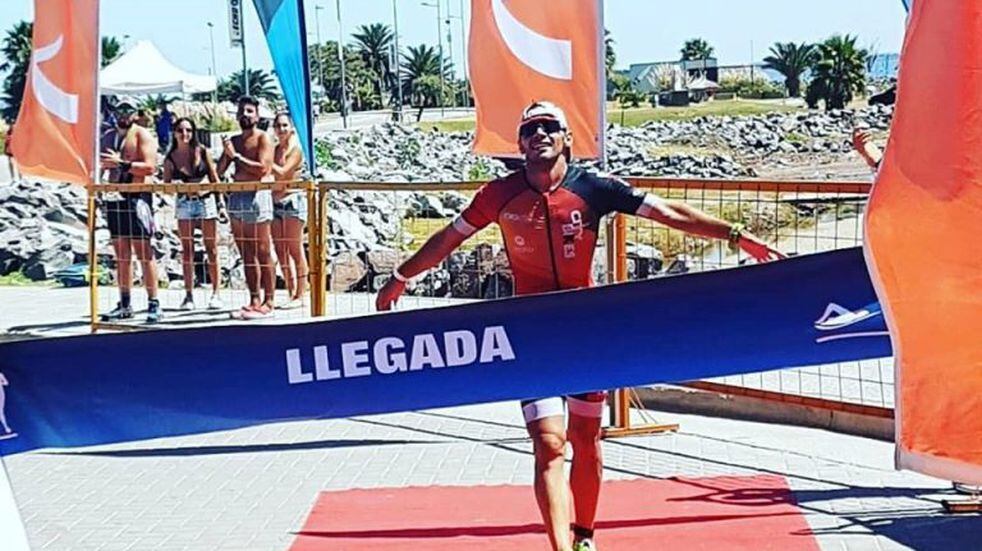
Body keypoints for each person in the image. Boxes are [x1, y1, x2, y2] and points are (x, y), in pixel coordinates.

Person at [375, 101, 784, 551]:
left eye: (550, 127)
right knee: (549, 444)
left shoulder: (594, 187)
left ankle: (584, 535)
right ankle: (559, 547)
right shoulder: (499, 194)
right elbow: (449, 238)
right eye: (531, 128)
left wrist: (735, 234)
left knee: (585, 439)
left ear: (567, 137)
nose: (541, 134)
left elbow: (669, 213)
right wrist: (400, 278)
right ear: (520, 143)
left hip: (588, 332)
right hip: (530, 335)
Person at [99, 102, 162, 323]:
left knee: (144, 252)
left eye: (128, 111)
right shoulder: (108, 136)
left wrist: (122, 164)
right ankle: (124, 303)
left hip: (137, 198)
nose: (123, 114)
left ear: (135, 114)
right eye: (120, 110)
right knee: (121, 254)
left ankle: (154, 302)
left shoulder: (143, 135)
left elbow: (150, 167)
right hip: (114, 197)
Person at [216, 96, 276, 319]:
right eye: (241, 111)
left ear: (257, 115)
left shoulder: (264, 139)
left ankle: (269, 300)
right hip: (237, 197)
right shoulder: (234, 141)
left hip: (257, 197)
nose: (245, 115)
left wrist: (236, 156)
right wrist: (226, 155)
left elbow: (262, 169)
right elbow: (220, 170)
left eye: (249, 111)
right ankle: (253, 299)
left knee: (262, 250)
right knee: (246, 253)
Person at [163, 117, 226, 311]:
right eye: (181, 130)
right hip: (184, 203)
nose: (185, 134)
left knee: (211, 248)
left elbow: (215, 178)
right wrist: (178, 186)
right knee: (187, 250)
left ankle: (216, 293)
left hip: (205, 201)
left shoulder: (203, 151)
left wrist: (221, 204)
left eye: (188, 130)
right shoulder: (170, 158)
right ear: (175, 133)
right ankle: (189, 295)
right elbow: (166, 185)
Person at [270, 112, 307, 309]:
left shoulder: (296, 150)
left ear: (291, 127)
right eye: (278, 126)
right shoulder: (275, 150)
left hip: (292, 201)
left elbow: (284, 173)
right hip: (275, 202)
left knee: (295, 249)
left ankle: (301, 293)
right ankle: (291, 290)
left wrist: (266, 162)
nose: (281, 129)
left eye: (284, 125)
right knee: (280, 250)